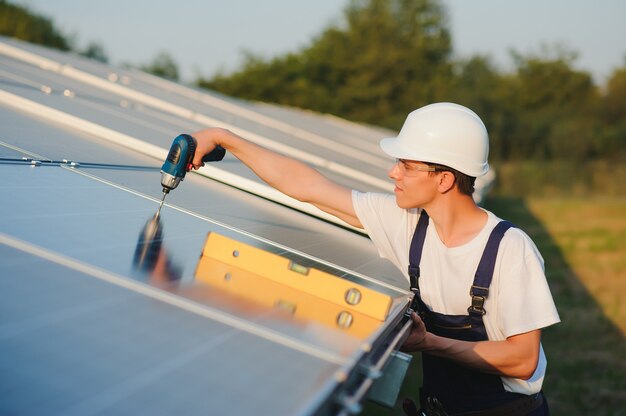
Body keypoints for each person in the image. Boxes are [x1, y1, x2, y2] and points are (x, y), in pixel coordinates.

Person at [189, 102, 560, 415]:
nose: (392, 173)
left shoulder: (509, 249)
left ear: (444, 180)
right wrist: (225, 138)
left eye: (407, 166)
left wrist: (428, 342)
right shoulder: (408, 224)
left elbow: (522, 359)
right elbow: (308, 187)